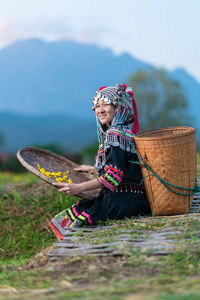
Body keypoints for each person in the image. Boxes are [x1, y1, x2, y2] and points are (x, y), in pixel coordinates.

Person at [48, 84, 151, 240]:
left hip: (119, 201)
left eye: (106, 105)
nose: (100, 110)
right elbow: (126, 168)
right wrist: (94, 169)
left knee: (72, 219)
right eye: (97, 106)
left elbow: (112, 177)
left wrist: (78, 188)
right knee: (74, 213)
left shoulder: (113, 134)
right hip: (135, 199)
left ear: (119, 107)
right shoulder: (126, 132)